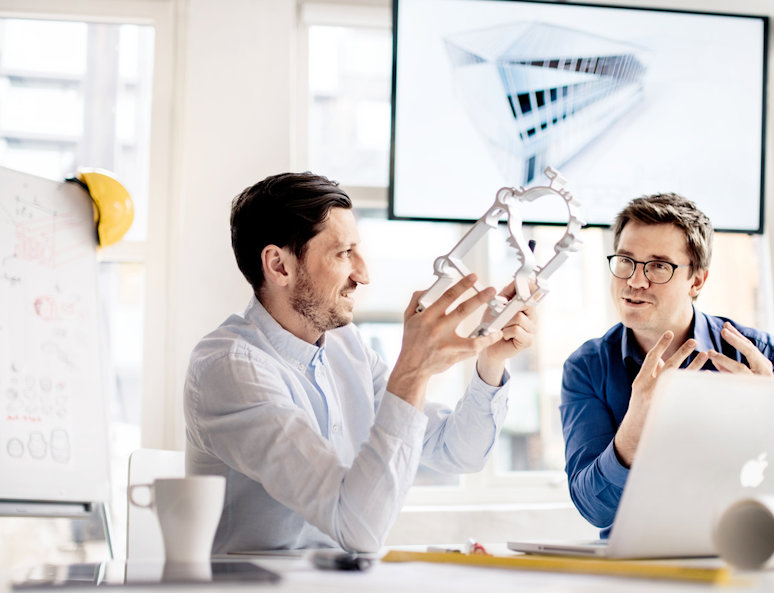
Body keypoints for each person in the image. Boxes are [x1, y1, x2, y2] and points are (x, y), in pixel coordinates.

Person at [184, 172, 535, 554]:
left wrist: (491, 362)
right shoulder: (231, 368)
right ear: (279, 265)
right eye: (343, 253)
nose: (363, 274)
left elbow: (457, 452)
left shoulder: (344, 346)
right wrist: (412, 370)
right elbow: (357, 529)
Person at [559, 192, 774, 536]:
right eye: (626, 260)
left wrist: (766, 423)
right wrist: (635, 426)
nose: (635, 281)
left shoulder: (763, 358)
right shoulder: (587, 367)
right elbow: (594, 509)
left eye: (658, 266)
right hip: (641, 567)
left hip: (746, 551)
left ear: (696, 280)